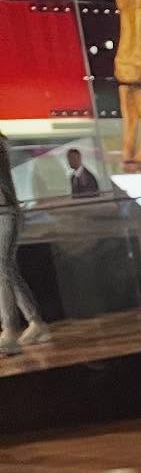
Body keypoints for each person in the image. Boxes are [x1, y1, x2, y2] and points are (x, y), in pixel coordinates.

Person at [0, 130, 49, 354]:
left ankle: (10, 329)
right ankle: (35, 322)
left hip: (5, 213)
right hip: (5, 212)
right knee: (7, 269)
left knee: (3, 269)